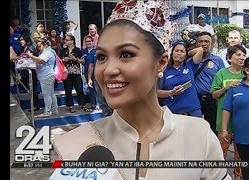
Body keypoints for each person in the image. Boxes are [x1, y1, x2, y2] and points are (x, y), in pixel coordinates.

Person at [53, 1, 231, 179]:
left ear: (161, 63)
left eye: (126, 55)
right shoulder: (78, 145)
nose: (108, 70)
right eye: (101, 57)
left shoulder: (199, 136)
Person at [211, 44, 246, 179]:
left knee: (241, 155)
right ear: (229, 58)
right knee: (221, 154)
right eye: (238, 54)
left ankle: (239, 176)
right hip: (224, 123)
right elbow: (214, 95)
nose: (242, 57)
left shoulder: (246, 73)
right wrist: (226, 87)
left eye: (243, 55)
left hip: (242, 123)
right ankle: (220, 176)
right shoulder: (221, 73)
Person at [220, 57, 249, 180]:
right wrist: (223, 130)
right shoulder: (235, 88)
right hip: (243, 138)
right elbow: (227, 109)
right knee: (246, 170)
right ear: (247, 70)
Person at [157, 40, 203, 117]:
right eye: (176, 51)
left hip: (193, 110)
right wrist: (171, 93)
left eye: (182, 51)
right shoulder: (164, 70)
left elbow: (200, 50)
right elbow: (156, 92)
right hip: (173, 111)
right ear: (172, 54)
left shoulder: (190, 66)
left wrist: (185, 55)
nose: (179, 53)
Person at [194, 31, 225, 134]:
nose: (203, 44)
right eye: (200, 41)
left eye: (206, 41)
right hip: (194, 100)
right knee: (195, 130)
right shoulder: (191, 60)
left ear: (211, 44)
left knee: (211, 131)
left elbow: (222, 81)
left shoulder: (217, 60)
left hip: (211, 100)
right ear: (196, 44)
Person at [26, 38, 58, 118]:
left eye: (40, 46)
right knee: (51, 93)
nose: (38, 48)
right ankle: (54, 109)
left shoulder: (48, 52)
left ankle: (47, 111)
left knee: (46, 94)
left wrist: (31, 56)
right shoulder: (48, 52)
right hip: (47, 74)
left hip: (46, 75)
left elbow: (40, 61)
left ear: (45, 45)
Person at [59, 34, 87, 113]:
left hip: (76, 72)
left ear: (72, 41)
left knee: (79, 88)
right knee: (68, 90)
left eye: (67, 40)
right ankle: (70, 106)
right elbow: (59, 60)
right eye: (65, 40)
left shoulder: (77, 50)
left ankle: (82, 104)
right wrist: (65, 59)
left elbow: (83, 61)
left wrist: (75, 59)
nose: (65, 41)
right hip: (67, 73)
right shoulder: (63, 51)